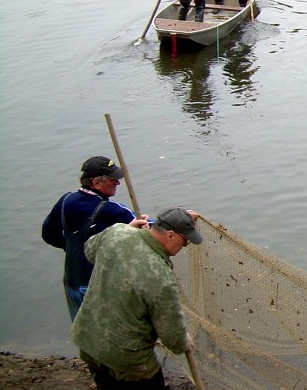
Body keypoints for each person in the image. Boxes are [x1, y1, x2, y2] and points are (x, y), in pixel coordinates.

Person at [71, 207, 202, 389]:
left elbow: (90, 251)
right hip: (128, 359)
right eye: (185, 240)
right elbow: (172, 336)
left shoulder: (117, 232)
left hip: (88, 340)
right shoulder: (160, 275)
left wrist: (128, 228)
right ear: (170, 236)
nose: (185, 246)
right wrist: (183, 341)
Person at [42, 156, 149, 321]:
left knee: (83, 336)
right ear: (97, 183)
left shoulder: (66, 200)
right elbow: (149, 227)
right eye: (113, 180)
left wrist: (72, 247)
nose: (118, 183)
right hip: (96, 286)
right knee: (107, 339)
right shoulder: (111, 210)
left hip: (72, 283)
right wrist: (183, 218)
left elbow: (48, 234)